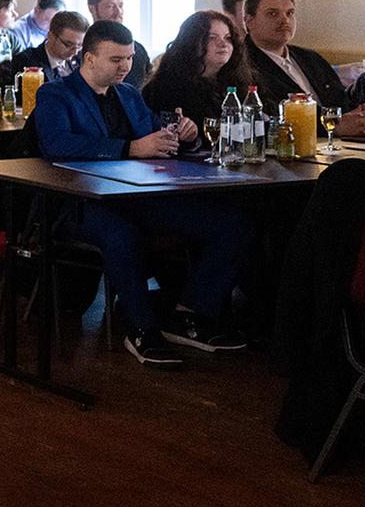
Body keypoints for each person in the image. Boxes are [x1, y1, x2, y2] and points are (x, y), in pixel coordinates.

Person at [35, 21, 252, 364]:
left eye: (129, 58)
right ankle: (142, 329)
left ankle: (190, 314)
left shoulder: (128, 95)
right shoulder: (55, 94)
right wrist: (130, 149)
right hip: (79, 201)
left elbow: (155, 134)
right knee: (122, 234)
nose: (125, 66)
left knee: (232, 225)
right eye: (116, 59)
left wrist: (184, 135)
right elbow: (58, 144)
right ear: (89, 59)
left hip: (137, 196)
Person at [243, 0, 365, 137]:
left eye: (289, 13)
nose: (284, 20)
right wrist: (334, 126)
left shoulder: (310, 58)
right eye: (272, 14)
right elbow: (266, 119)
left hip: (342, 142)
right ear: (249, 21)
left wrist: (361, 119)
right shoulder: (242, 65)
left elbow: (340, 101)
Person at [143, 10, 253, 126]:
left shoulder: (237, 81)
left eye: (228, 38)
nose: (223, 44)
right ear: (191, 42)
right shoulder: (165, 88)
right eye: (211, 38)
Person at [0, 10, 88, 89]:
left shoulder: (82, 61)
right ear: (50, 36)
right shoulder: (26, 61)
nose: (75, 51)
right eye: (68, 44)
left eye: (80, 45)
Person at [86, 0, 151, 85]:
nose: (118, 12)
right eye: (110, 7)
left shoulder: (137, 50)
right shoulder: (79, 48)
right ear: (92, 9)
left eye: (120, 6)